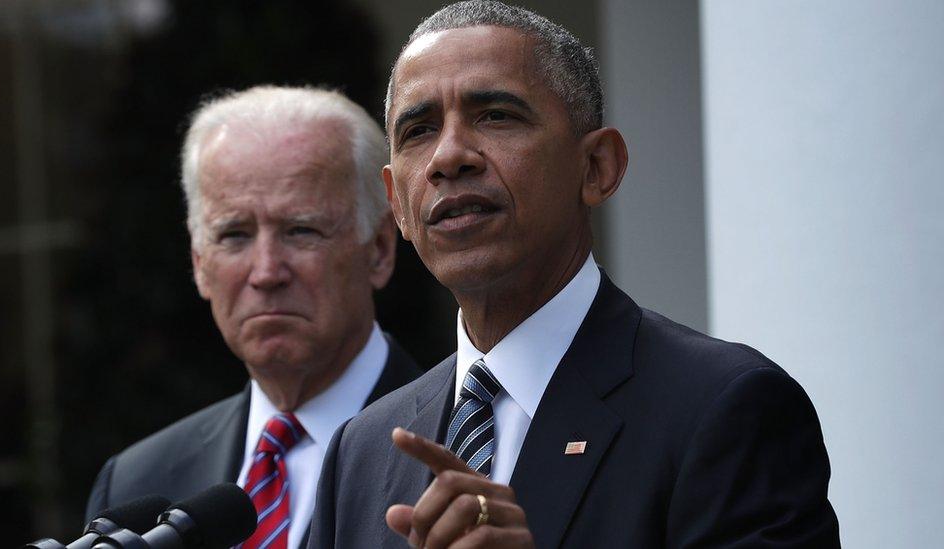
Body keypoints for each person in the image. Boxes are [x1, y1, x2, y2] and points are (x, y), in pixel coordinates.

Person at [308, 2, 840, 548]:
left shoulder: (727, 408)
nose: (449, 156)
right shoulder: (362, 452)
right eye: (419, 129)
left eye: (496, 115)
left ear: (596, 167)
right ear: (397, 203)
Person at [86, 86, 422, 549]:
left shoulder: (457, 448)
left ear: (380, 249)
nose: (266, 273)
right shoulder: (135, 481)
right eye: (234, 235)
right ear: (199, 262)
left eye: (301, 230)